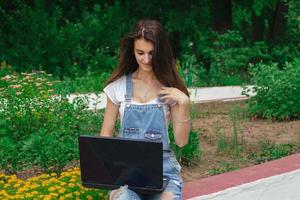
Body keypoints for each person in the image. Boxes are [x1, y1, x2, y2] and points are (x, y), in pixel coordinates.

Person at [100, 19, 191, 200]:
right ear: (132, 50)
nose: (147, 59)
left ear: (161, 52)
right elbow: (106, 136)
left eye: (152, 53)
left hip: (164, 173)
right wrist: (110, 172)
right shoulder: (117, 88)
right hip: (127, 174)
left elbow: (181, 141)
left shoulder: (170, 89)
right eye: (140, 53)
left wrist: (184, 103)